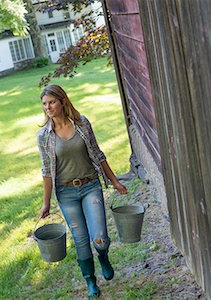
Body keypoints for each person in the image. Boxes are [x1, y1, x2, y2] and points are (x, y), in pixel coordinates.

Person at [37, 84, 128, 298]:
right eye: (44, 104)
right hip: (66, 193)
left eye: (51, 102)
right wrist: (46, 203)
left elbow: (98, 154)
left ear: (62, 101)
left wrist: (114, 182)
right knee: (80, 238)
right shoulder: (44, 136)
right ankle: (91, 282)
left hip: (90, 187)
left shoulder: (82, 124)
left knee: (100, 236)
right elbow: (46, 171)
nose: (47, 107)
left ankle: (103, 255)